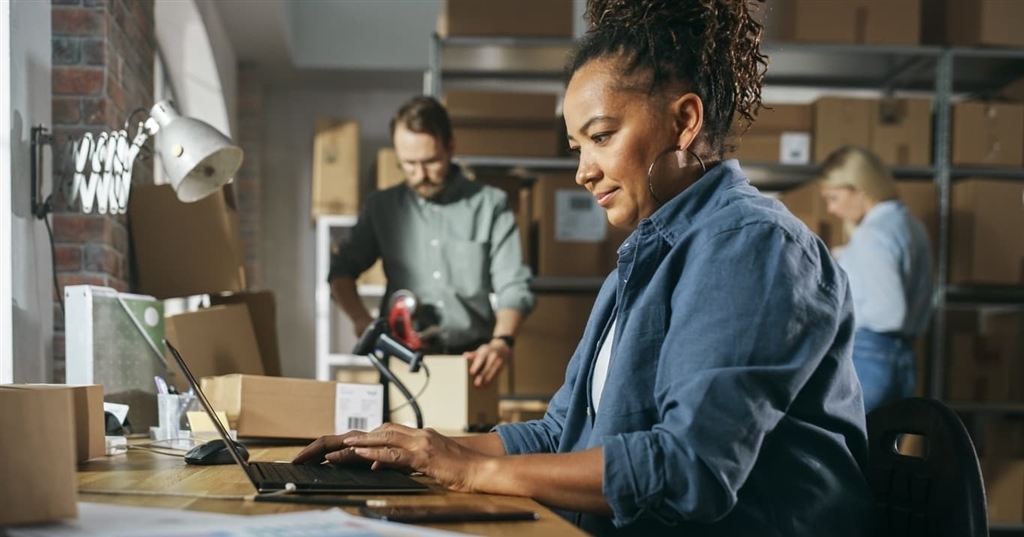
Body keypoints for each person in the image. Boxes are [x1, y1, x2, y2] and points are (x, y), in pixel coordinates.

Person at [297, 1, 873, 535]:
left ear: (685, 120)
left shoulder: (751, 246)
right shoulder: (648, 253)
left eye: (600, 137)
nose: (583, 172)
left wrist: (468, 470)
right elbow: (559, 433)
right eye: (577, 147)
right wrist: (421, 449)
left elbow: (687, 468)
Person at [328, 96, 535, 388]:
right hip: (400, 361)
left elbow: (513, 285)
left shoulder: (490, 205)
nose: (420, 175)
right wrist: (362, 321)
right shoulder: (382, 207)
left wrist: (502, 342)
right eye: (409, 164)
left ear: (450, 147)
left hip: (471, 364)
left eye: (430, 162)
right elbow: (340, 271)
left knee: (464, 436)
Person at [819, 146, 933, 413]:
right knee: (886, 450)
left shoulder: (872, 236)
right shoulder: (911, 226)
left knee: (849, 449)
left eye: (833, 198)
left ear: (858, 189)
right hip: (902, 357)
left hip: (870, 355)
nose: (831, 210)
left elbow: (890, 313)